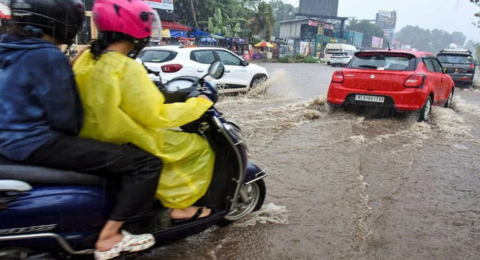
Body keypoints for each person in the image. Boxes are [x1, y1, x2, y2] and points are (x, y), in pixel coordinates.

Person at [0, 0, 162, 259]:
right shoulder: (48, 55)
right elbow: (69, 122)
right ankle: (111, 237)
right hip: (36, 143)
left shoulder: (7, 46)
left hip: (7, 142)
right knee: (145, 163)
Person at [72, 0, 216, 225]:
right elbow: (155, 115)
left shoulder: (85, 58)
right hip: (126, 138)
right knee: (195, 147)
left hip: (91, 138)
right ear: (136, 29)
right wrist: (198, 104)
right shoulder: (127, 67)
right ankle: (182, 206)